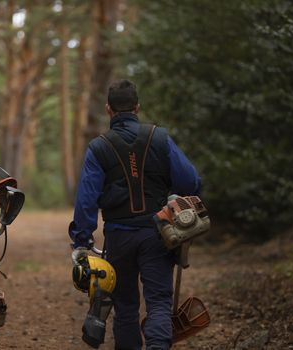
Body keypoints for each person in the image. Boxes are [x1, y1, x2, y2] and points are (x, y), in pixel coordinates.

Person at [69, 79, 201, 350]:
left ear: (108, 109)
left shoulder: (99, 147)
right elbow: (191, 182)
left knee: (125, 305)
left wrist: (81, 240)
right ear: (137, 107)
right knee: (159, 302)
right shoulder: (159, 137)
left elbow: (86, 200)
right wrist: (170, 194)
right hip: (159, 234)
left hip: (119, 237)